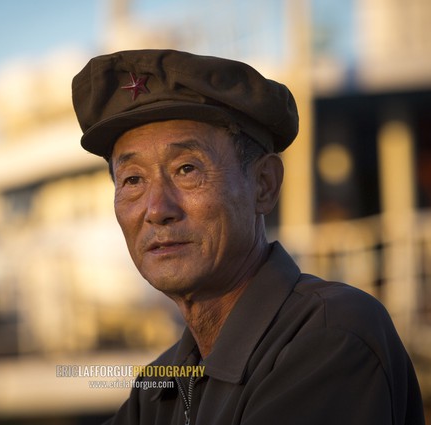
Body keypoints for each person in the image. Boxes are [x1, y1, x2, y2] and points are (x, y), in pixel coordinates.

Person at [71, 49, 425, 425]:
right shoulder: (161, 386)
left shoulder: (329, 339)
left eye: (187, 169)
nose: (157, 209)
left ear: (264, 185)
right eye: (133, 180)